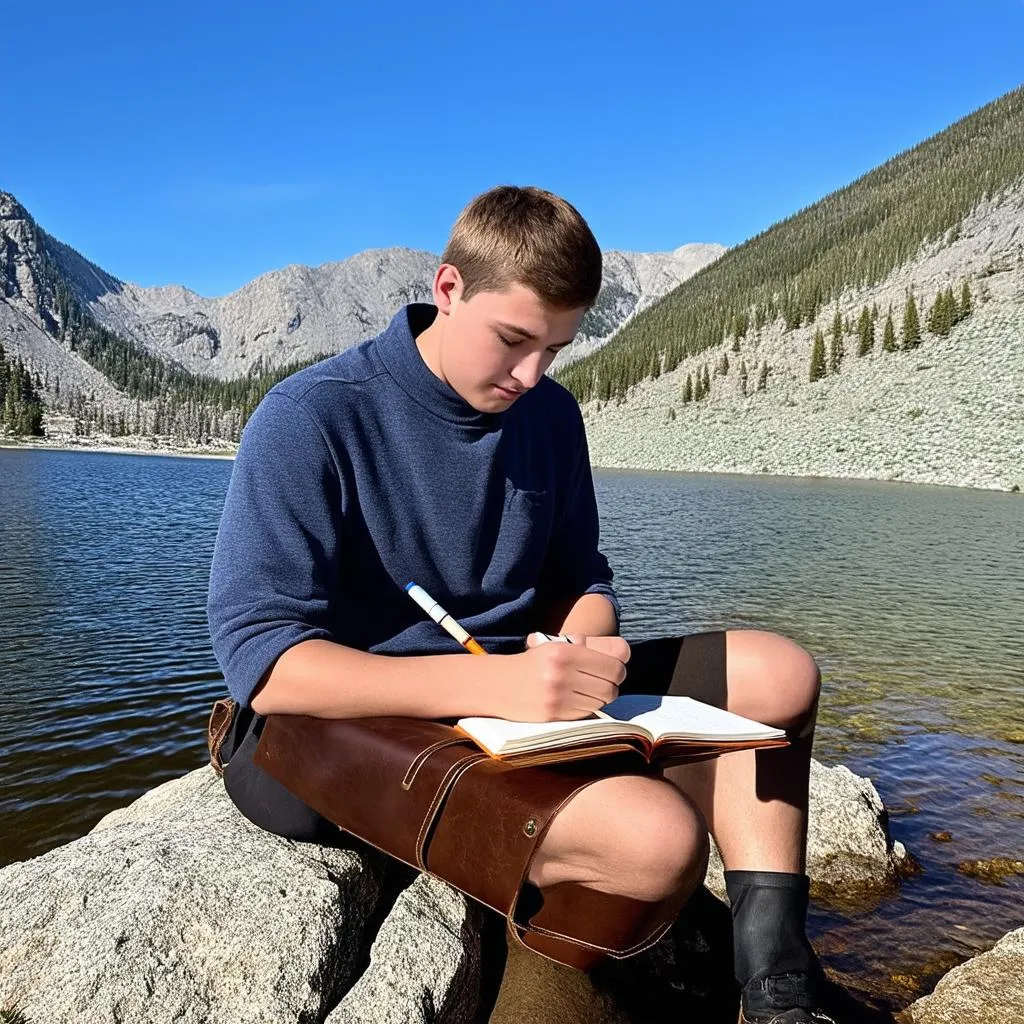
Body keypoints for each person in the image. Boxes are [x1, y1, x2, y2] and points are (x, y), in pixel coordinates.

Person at [207, 185, 836, 1024]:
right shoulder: (313, 415)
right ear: (448, 289)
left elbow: (584, 574)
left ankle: (776, 987)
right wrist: (495, 689)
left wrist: (588, 644)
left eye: (557, 348)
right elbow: (263, 660)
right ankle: (549, 970)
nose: (530, 375)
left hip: (519, 701)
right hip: (339, 727)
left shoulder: (551, 414)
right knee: (655, 839)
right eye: (513, 340)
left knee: (780, 673)